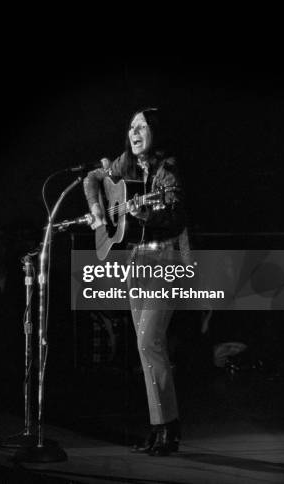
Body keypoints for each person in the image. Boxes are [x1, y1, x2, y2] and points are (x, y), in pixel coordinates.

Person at [83, 107, 191, 456]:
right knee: (147, 349)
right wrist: (101, 215)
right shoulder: (122, 166)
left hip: (165, 260)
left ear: (156, 132)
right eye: (131, 126)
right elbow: (91, 179)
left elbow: (175, 218)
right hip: (136, 262)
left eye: (142, 126)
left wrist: (148, 214)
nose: (135, 131)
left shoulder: (168, 170)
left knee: (149, 343)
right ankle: (161, 429)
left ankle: (167, 426)